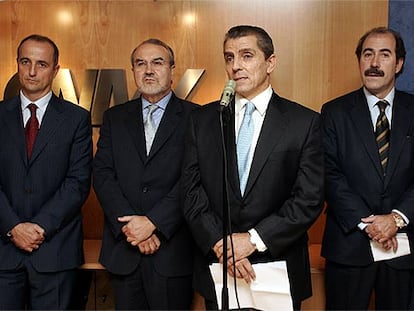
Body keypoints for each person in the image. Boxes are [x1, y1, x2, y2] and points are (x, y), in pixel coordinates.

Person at [182, 25, 324, 310]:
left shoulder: (304, 122)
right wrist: (220, 243)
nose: (236, 66)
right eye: (229, 57)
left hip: (277, 265)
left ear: (270, 62)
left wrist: (253, 240)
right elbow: (190, 190)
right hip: (219, 265)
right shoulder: (203, 119)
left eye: (247, 56)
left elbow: (309, 197)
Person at [93, 38, 197, 310]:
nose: (148, 70)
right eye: (141, 63)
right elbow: (103, 175)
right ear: (133, 71)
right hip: (124, 249)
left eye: (157, 62)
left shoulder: (198, 118)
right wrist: (131, 228)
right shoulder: (114, 117)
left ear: (172, 69)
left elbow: (194, 180)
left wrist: (154, 222)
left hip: (172, 251)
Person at [321, 26, 414, 310]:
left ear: (398, 64)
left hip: (402, 247)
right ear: (359, 60)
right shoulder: (334, 112)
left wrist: (396, 218)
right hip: (349, 245)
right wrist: (368, 222)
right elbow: (328, 173)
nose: (374, 63)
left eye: (384, 55)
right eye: (367, 54)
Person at [0, 34, 92, 309]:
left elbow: (77, 182)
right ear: (16, 63)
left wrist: (39, 227)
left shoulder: (76, 119)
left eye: (41, 64)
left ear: (55, 69)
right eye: (25, 61)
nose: (31, 71)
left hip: (55, 250)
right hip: (4, 250)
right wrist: (13, 227)